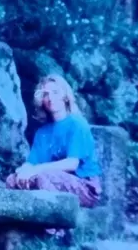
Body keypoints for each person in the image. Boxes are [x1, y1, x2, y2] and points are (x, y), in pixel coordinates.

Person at [6, 74, 101, 207]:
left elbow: (71, 164)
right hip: (52, 180)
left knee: (43, 178)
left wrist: (36, 170)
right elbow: (31, 163)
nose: (50, 98)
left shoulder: (77, 123)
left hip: (85, 186)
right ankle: (19, 226)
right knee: (12, 180)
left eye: (55, 92)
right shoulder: (42, 132)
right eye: (45, 94)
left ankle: (54, 228)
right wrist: (22, 172)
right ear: (41, 100)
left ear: (65, 96)